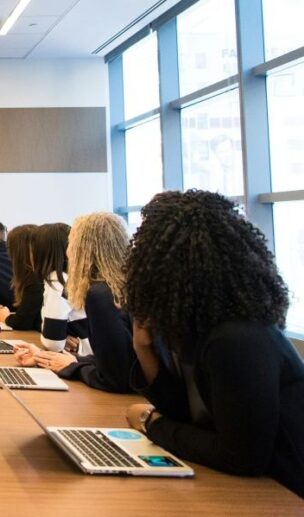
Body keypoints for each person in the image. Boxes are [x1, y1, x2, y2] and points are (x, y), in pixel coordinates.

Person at [122, 190, 303, 498]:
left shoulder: (237, 339)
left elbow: (243, 458)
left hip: (286, 492)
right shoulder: (201, 329)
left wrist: (151, 423)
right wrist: (144, 348)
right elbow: (188, 415)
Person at [13, 213, 135, 393]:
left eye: (71, 243)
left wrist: (73, 367)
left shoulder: (100, 294)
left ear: (81, 249)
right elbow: (123, 362)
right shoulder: (125, 285)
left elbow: (116, 379)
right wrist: (50, 357)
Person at [10, 223, 88, 362]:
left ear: (41, 251)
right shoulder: (73, 276)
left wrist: (54, 338)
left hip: (80, 358)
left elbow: (53, 343)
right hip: (89, 356)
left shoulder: (56, 281)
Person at [0, 224, 41, 330]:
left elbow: (22, 322)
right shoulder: (34, 276)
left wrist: (5, 316)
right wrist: (2, 312)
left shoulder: (35, 280)